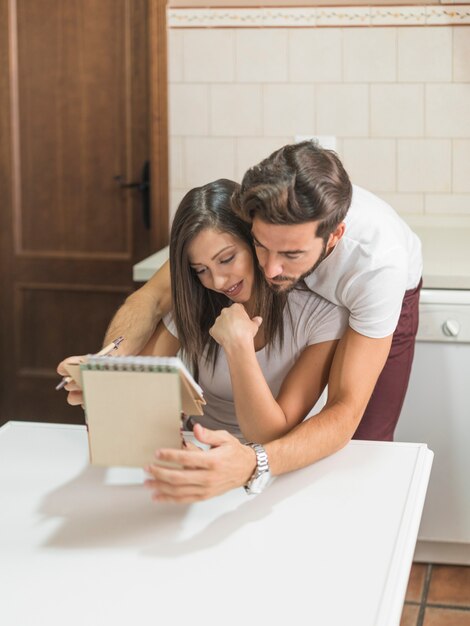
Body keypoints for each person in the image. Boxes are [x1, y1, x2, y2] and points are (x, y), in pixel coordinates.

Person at [59, 141, 423, 503]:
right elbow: (152, 299)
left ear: (334, 238)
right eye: (260, 246)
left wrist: (252, 462)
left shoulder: (376, 268)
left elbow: (343, 410)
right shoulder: (242, 228)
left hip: (379, 291)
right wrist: (107, 368)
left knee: (366, 443)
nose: (270, 269)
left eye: (290, 254)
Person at [59, 178, 347, 461]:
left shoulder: (319, 313)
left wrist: (238, 345)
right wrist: (105, 374)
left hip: (275, 461)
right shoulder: (199, 299)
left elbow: (268, 437)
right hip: (198, 449)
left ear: (256, 242)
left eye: (227, 259)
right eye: (201, 269)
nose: (218, 281)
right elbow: (141, 375)